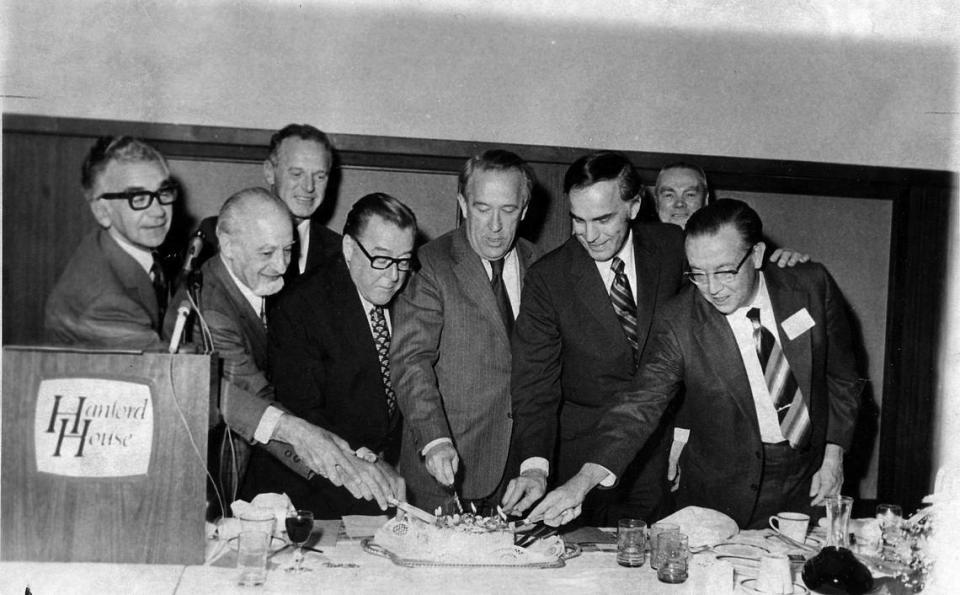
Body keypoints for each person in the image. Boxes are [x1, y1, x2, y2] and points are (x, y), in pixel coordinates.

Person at [526, 199, 863, 529]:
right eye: (698, 274)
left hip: (812, 477)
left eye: (725, 271)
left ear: (757, 255)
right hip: (723, 487)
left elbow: (844, 379)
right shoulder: (680, 320)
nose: (712, 289)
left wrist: (835, 456)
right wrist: (582, 481)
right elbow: (640, 404)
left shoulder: (810, 286)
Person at [176, 187, 398, 509]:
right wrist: (340, 464)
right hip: (212, 483)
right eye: (266, 253)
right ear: (228, 245)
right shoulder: (210, 310)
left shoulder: (257, 281)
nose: (281, 266)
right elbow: (259, 399)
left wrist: (343, 449)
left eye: (288, 250)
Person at [503, 151, 685, 525]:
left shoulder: (672, 247)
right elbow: (536, 386)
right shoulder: (548, 279)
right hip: (579, 468)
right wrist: (535, 466)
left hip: (665, 458)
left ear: (634, 206)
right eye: (578, 220)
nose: (590, 235)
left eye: (603, 219)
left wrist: (783, 264)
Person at [242, 192, 414, 518]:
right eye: (381, 258)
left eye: (403, 261)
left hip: (371, 492)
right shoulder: (302, 304)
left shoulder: (409, 295)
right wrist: (370, 461)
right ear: (349, 248)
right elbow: (303, 412)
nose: (393, 276)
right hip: (304, 496)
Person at [391, 150, 541, 512]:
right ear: (462, 203)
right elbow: (411, 362)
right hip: (444, 470)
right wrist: (434, 440)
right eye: (482, 208)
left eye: (507, 210)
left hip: (517, 478)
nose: (494, 226)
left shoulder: (542, 265)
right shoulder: (431, 264)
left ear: (524, 209)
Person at [45, 136, 174, 349]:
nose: (159, 211)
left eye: (163, 192)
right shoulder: (106, 304)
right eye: (139, 198)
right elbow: (163, 371)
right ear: (102, 212)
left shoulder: (115, 246)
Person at [195, 123, 341, 283]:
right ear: (270, 172)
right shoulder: (217, 234)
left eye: (320, 176)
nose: (309, 187)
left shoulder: (339, 250)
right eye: (297, 174)